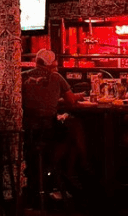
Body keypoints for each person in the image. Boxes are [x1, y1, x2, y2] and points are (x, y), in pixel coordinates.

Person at [22, 48, 88, 198]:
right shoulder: (56, 77)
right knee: (74, 131)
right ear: (52, 64)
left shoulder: (22, 77)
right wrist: (82, 95)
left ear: (36, 61)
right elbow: (70, 100)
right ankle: (62, 170)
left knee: (68, 130)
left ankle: (51, 169)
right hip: (47, 131)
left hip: (26, 133)